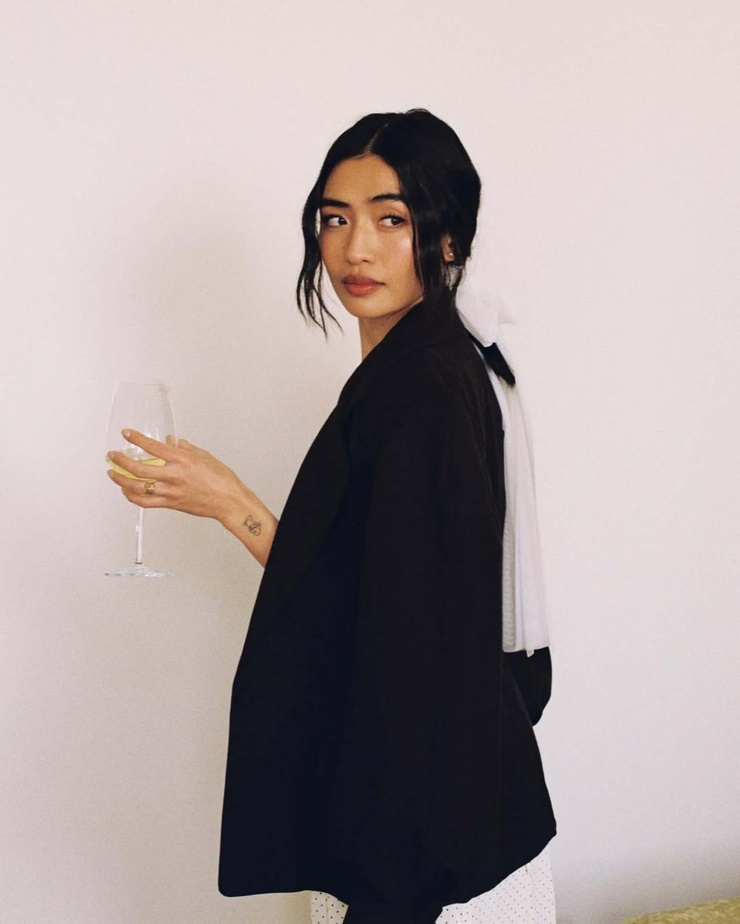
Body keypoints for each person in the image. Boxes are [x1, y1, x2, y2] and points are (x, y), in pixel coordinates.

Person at [106, 109, 556, 924]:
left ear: (448, 238)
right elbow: (382, 586)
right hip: (441, 805)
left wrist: (232, 503)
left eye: (392, 219)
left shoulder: (421, 388)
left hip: (428, 840)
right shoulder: (426, 366)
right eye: (335, 218)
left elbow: (405, 637)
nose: (356, 249)